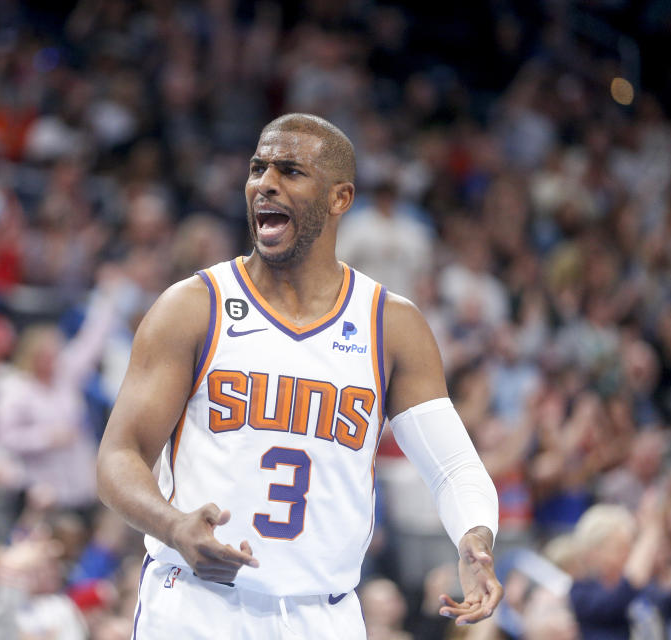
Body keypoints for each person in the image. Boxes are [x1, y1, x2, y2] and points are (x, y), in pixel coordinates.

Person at [97, 113, 502, 638]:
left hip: (323, 614)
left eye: (289, 171)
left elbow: (454, 468)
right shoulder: (195, 306)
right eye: (258, 168)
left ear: (340, 199)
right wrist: (173, 526)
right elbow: (117, 457)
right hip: (199, 605)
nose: (265, 183)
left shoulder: (390, 325)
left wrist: (475, 538)